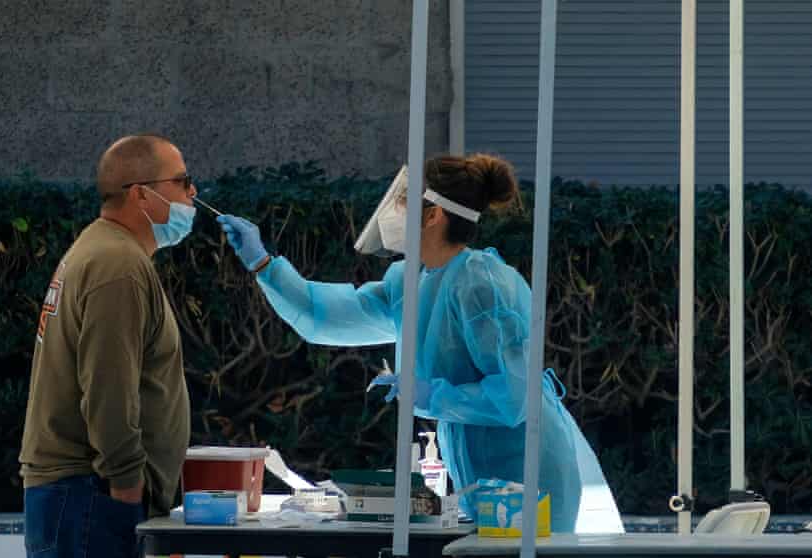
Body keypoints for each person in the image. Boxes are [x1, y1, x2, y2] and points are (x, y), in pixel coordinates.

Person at [216, 154, 624, 534]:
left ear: (433, 215)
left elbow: (513, 397)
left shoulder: (484, 285)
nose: (394, 213)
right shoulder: (410, 282)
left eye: (403, 203)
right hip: (480, 477)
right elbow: (327, 316)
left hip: (530, 471)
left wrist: (430, 394)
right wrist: (263, 264)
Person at [19, 134, 193, 558]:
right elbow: (109, 391)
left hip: (83, 498)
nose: (193, 194)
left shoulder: (104, 251)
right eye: (183, 181)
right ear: (141, 195)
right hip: (91, 500)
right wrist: (128, 490)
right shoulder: (118, 265)